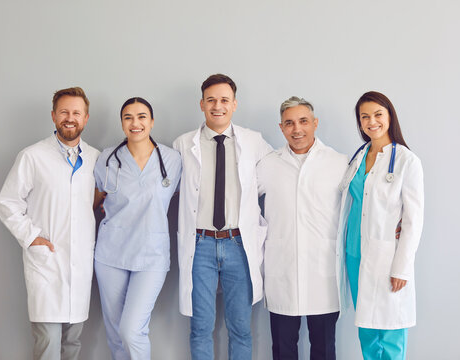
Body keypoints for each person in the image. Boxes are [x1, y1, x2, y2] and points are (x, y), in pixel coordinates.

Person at [173, 74, 272, 360]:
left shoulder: (253, 141)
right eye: (211, 100)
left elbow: (274, 180)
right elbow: (165, 185)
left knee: (240, 329)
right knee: (200, 328)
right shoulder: (183, 144)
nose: (218, 106)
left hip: (238, 244)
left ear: (234, 104)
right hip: (200, 244)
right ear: (201, 104)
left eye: (224, 100)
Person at [0, 87, 100, 360]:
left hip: (79, 264)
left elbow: (97, 201)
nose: (70, 118)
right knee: (48, 344)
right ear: (54, 116)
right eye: (64, 112)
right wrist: (31, 237)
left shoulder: (95, 158)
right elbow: (7, 202)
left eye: (76, 112)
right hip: (46, 263)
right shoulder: (32, 156)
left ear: (86, 118)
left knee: (73, 344)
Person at [257, 97, 347, 360]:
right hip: (281, 270)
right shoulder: (268, 164)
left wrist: (394, 223)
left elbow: (364, 203)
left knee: (324, 348)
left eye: (303, 121)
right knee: (283, 349)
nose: (297, 129)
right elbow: (240, 203)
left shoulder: (339, 163)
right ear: (281, 128)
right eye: (289, 123)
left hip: (323, 272)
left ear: (315, 123)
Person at [336, 91, 424, 360]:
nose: (371, 121)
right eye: (364, 117)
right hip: (354, 252)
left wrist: (402, 266)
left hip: (386, 257)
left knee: (390, 329)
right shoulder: (359, 156)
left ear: (389, 117)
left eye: (377, 115)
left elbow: (413, 220)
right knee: (367, 328)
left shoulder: (407, 161)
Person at [93, 97, 181, 360]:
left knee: (132, 330)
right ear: (122, 123)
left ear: (151, 122)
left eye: (142, 116)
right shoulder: (107, 158)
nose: (135, 123)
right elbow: (95, 200)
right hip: (111, 254)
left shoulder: (172, 159)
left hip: (151, 255)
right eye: (128, 117)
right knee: (115, 334)